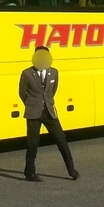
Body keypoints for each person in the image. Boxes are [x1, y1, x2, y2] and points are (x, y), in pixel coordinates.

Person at [18, 46, 78, 182]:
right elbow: (22, 93)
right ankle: (29, 172)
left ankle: (72, 170)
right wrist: (31, 104)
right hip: (34, 113)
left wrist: (47, 102)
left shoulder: (54, 73)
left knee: (61, 139)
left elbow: (53, 90)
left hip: (49, 112)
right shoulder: (27, 73)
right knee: (32, 144)